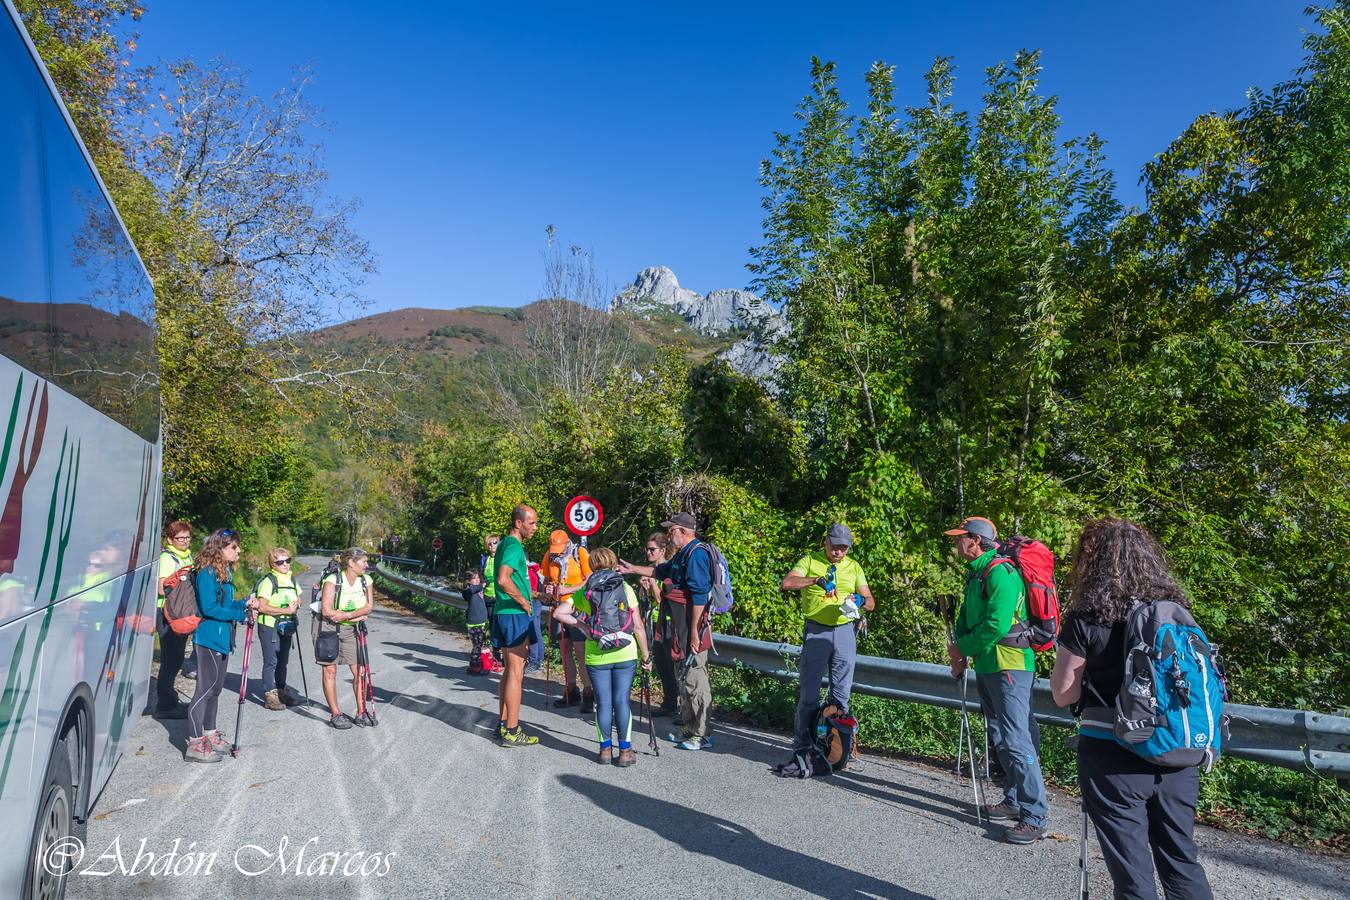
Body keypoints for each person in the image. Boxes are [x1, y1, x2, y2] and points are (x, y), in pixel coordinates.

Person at [1051, 518, 1215, 900]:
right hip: (1177, 754)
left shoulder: (1086, 618)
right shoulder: (1175, 612)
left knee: (1132, 872)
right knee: (1181, 859)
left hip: (1113, 755)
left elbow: (1063, 694)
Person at [945, 515, 1048, 844]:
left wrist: (961, 647)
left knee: (1017, 739)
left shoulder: (1001, 572)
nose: (956, 542)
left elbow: (996, 625)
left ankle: (1034, 815)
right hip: (989, 664)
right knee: (1000, 737)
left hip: (1011, 665)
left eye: (960, 537)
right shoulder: (976, 574)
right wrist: (959, 652)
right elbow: (966, 618)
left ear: (975, 541)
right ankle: (1014, 799)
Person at [777, 523, 875, 775]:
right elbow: (786, 583)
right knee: (809, 696)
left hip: (844, 631)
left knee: (841, 697)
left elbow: (871, 601)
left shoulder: (854, 567)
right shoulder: (810, 560)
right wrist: (816, 580)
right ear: (826, 542)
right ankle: (801, 747)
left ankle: (837, 750)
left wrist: (861, 600)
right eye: (835, 547)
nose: (839, 552)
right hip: (817, 630)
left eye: (844, 548)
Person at [619, 512, 713, 751]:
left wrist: (693, 632)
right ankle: (689, 729)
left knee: (695, 679)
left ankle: (702, 734)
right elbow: (660, 572)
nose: (669, 535)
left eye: (672, 531)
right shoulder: (684, 554)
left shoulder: (697, 554)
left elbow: (700, 596)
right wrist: (632, 569)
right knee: (685, 678)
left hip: (691, 628)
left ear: (683, 531)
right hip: (680, 628)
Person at [552, 547, 652, 766]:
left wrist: (583, 626)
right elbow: (638, 625)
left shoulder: (586, 589)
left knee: (604, 703)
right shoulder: (624, 587)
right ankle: (625, 752)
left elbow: (559, 613)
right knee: (622, 701)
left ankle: (605, 751)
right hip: (625, 652)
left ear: (592, 565)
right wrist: (646, 656)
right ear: (613, 562)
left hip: (597, 653)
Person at [184, 528, 258, 763]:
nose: (239, 551)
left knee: (216, 689)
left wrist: (244, 605)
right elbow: (210, 608)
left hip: (223, 637)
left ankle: (210, 734)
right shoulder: (207, 572)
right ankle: (195, 744)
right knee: (205, 689)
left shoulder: (223, 571)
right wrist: (239, 615)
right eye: (233, 547)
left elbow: (225, 603)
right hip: (208, 637)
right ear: (220, 548)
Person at [492, 504, 541, 747]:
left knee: (509, 672)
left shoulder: (502, 544)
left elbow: (512, 580)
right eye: (531, 523)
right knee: (516, 673)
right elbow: (503, 579)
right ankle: (512, 729)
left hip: (503, 612)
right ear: (518, 523)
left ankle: (503, 724)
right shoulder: (513, 545)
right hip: (514, 614)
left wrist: (533, 595)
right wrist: (523, 601)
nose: (535, 527)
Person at [316, 547, 376, 729]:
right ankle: (336, 713)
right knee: (330, 671)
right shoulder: (333, 579)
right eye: (364, 561)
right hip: (327, 627)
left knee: (360, 671)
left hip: (351, 629)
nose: (367, 565)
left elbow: (368, 607)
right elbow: (327, 611)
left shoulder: (366, 580)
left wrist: (347, 616)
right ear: (351, 562)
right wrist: (353, 616)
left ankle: (361, 712)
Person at [542, 528, 594, 712]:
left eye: (559, 549)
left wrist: (568, 590)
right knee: (564, 648)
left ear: (566, 543)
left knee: (580, 650)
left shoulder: (579, 553)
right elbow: (546, 579)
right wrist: (548, 588)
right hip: (557, 607)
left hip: (577, 606)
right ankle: (571, 690)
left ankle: (589, 692)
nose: (556, 553)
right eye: (554, 550)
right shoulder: (549, 555)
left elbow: (590, 580)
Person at [153, 520, 194, 718]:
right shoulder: (168, 558)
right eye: (180, 538)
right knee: (170, 660)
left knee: (177, 658)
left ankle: (170, 701)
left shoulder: (187, 556)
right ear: (170, 539)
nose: (184, 541)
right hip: (167, 614)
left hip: (181, 614)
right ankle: (166, 706)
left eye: (187, 537)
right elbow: (161, 587)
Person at [637, 531, 679, 717]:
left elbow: (661, 599)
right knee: (662, 664)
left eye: (652, 549)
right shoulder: (650, 569)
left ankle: (679, 705)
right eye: (647, 549)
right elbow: (644, 599)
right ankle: (669, 703)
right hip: (655, 621)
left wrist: (653, 582)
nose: (649, 552)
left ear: (662, 550)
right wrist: (643, 586)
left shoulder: (666, 570)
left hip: (669, 622)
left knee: (672, 665)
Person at [255, 548, 302, 710]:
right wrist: (286, 610)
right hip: (269, 625)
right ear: (272, 564)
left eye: (287, 560)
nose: (285, 564)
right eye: (280, 562)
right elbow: (262, 606)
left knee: (283, 661)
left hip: (286, 625)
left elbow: (299, 597)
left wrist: (296, 604)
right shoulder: (269, 581)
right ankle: (270, 696)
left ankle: (282, 692)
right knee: (271, 661)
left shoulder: (291, 579)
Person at [464, 569, 499, 674]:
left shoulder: (479, 590)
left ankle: (472, 666)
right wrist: (483, 585)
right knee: (477, 646)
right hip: (474, 622)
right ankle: (476, 667)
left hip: (481, 621)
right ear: (468, 581)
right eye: (474, 578)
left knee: (478, 644)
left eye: (478, 578)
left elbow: (485, 597)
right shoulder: (467, 590)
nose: (477, 580)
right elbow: (471, 591)